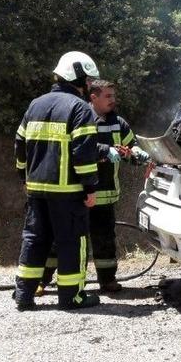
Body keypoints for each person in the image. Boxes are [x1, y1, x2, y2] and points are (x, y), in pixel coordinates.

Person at [38, 79, 149, 293]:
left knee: (104, 239)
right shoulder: (82, 118)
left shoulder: (118, 123)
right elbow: (79, 149)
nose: (113, 100)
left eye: (114, 96)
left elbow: (131, 146)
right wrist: (107, 152)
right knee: (60, 238)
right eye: (108, 96)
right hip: (79, 193)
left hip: (105, 196)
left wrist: (137, 154)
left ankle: (107, 281)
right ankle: (42, 281)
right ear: (93, 97)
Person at [13, 51, 102, 311]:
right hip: (68, 192)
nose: (90, 85)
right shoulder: (80, 108)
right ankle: (71, 297)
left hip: (36, 190)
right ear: (77, 77)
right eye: (89, 80)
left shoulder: (36, 104)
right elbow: (83, 154)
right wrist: (90, 187)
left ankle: (24, 295)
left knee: (34, 239)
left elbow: (20, 144)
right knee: (72, 242)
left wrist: (23, 176)